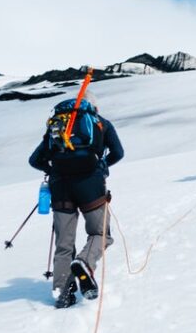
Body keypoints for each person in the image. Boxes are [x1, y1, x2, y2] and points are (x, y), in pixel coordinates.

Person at [28, 95, 124, 309]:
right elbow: (118, 153)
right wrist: (102, 165)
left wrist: (54, 170)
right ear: (94, 107)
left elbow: (35, 160)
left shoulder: (60, 124)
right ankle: (85, 263)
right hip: (90, 184)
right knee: (100, 234)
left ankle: (62, 292)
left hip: (60, 187)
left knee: (64, 244)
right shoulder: (101, 123)